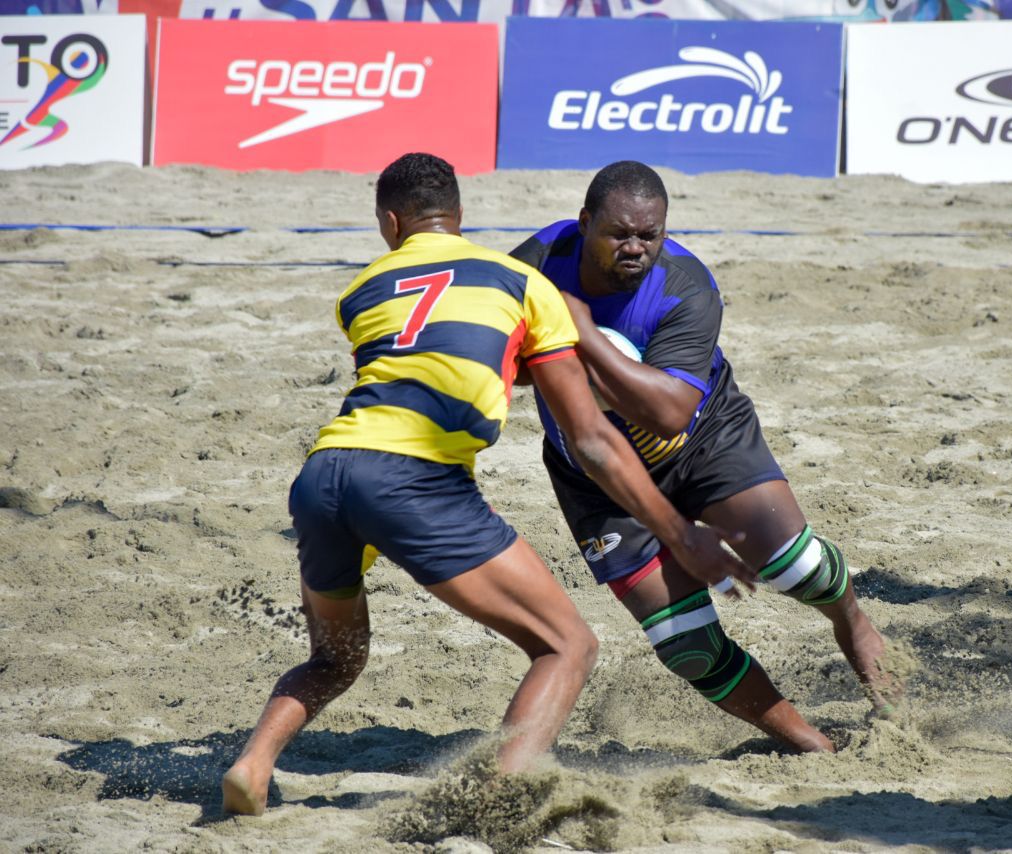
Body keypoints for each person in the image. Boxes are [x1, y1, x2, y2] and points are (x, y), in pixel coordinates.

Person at [221, 153, 752, 816]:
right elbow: (589, 441)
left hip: (324, 474)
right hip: (416, 482)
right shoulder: (523, 284)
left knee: (332, 661)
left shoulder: (360, 291)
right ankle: (498, 800)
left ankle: (253, 763)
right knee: (567, 645)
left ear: (390, 222)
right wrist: (679, 532)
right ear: (462, 215)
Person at [510, 161, 896, 753]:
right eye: (620, 234)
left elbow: (666, 413)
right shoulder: (534, 265)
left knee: (795, 568)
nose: (636, 247)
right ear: (585, 222)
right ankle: (808, 741)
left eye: (650, 234)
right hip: (592, 472)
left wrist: (580, 334)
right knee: (685, 644)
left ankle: (852, 620)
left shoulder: (686, 285)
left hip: (701, 440)